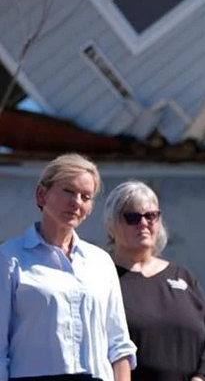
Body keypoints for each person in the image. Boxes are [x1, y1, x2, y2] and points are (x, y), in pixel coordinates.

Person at [0, 153, 136, 381]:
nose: (77, 202)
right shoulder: (9, 259)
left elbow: (119, 344)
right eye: (69, 191)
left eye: (86, 196)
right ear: (41, 194)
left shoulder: (101, 262)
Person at [103, 180, 205, 381]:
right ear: (111, 226)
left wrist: (203, 378)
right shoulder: (102, 278)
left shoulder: (183, 276)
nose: (144, 223)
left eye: (151, 216)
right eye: (132, 217)